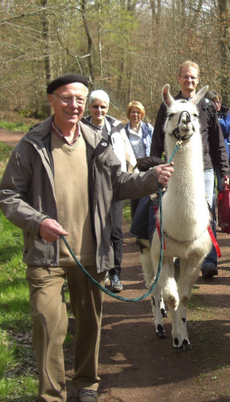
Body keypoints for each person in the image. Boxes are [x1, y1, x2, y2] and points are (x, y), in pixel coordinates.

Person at [0, 74, 173, 402]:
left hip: (91, 253)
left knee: (90, 322)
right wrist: (37, 222)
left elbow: (118, 184)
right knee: (48, 323)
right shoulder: (32, 144)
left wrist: (153, 178)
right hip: (45, 254)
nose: (74, 105)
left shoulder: (96, 141)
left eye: (80, 99)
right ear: (51, 101)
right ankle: (51, 401)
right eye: (66, 98)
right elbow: (8, 195)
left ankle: (86, 382)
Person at [151, 60, 229, 279]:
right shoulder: (168, 106)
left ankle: (208, 259)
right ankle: (170, 253)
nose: (189, 80)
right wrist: (155, 166)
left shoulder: (206, 106)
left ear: (198, 80)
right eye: (185, 76)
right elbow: (158, 138)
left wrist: (224, 170)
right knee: (169, 211)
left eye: (193, 77)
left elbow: (217, 142)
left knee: (206, 212)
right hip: (174, 167)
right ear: (179, 78)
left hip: (202, 169)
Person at [81, 89, 136, 293]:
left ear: (107, 108)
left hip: (114, 186)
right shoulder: (81, 127)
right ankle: (98, 271)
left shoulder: (117, 127)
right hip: (89, 187)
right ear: (89, 107)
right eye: (95, 106)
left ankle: (115, 273)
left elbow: (130, 154)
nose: (99, 110)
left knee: (114, 230)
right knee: (93, 230)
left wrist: (131, 180)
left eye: (103, 106)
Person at [123, 101, 154, 218]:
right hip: (133, 169)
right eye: (133, 112)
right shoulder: (123, 131)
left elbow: (155, 146)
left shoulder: (148, 129)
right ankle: (135, 228)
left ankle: (147, 227)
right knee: (135, 199)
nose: (135, 115)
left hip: (147, 167)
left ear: (142, 114)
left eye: (138, 112)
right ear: (129, 113)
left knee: (149, 198)